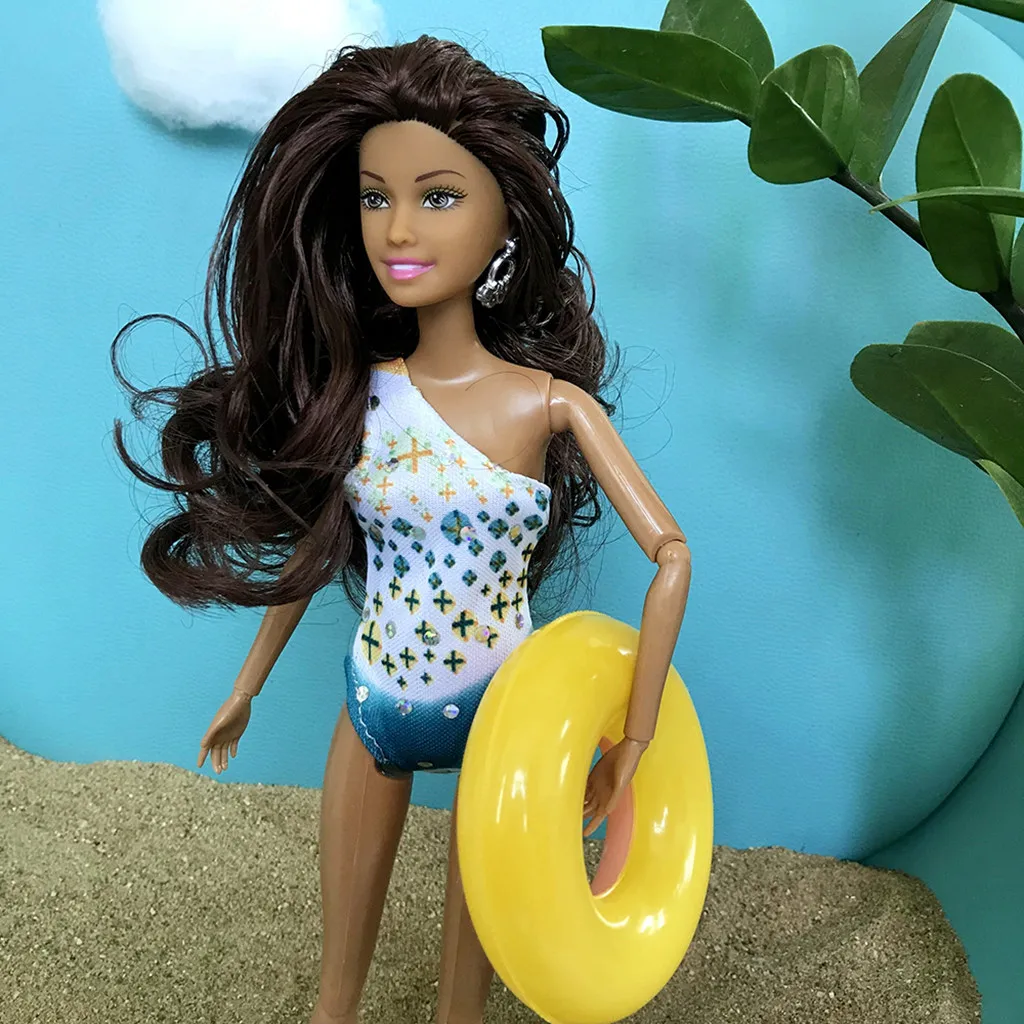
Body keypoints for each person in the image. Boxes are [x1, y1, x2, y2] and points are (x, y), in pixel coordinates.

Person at [111, 35, 692, 1024]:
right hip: (374, 701)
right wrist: (246, 687)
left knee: (463, 997)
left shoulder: (549, 405)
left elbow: (670, 554)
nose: (398, 229)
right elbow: (318, 550)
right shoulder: (362, 397)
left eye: (438, 196)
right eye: (374, 198)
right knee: (335, 990)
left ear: (505, 221)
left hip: (505, 720)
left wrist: (633, 737)